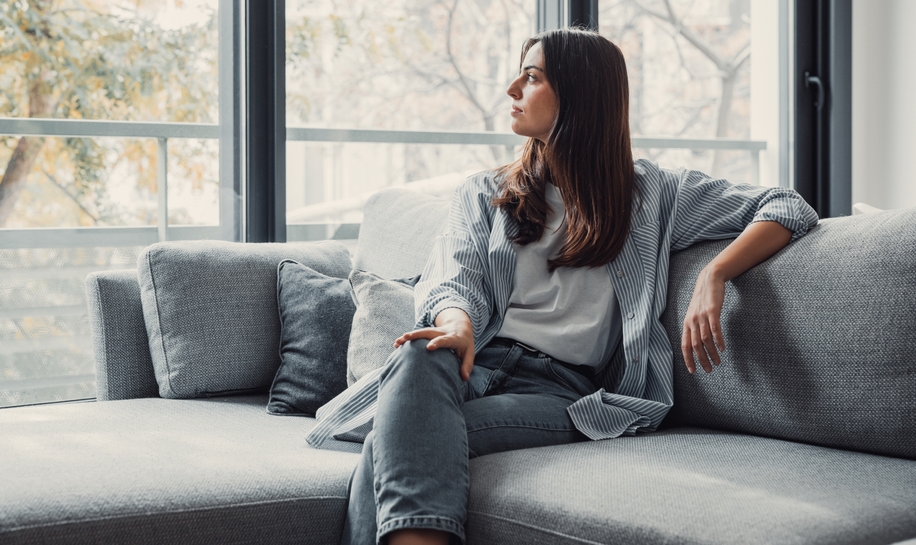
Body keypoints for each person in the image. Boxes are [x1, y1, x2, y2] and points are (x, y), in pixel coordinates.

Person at [307, 27, 819, 545]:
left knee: (390, 443)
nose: (511, 89)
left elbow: (786, 206)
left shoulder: (654, 195)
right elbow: (453, 277)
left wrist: (716, 273)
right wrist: (456, 326)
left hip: (561, 390)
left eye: (530, 78)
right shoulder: (485, 193)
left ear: (579, 95)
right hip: (474, 366)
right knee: (418, 356)